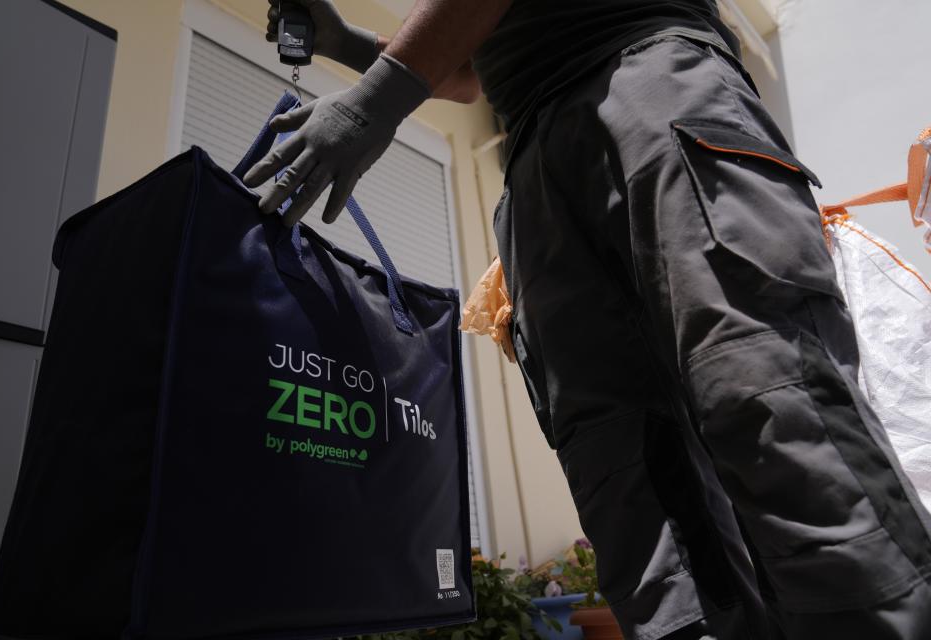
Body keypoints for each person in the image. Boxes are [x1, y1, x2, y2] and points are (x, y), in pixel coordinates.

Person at [243, 1, 931, 638]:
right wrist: (346, 45)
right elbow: (466, 77)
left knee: (767, 400)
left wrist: (379, 100)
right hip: (536, 165)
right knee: (630, 483)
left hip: (651, 83)